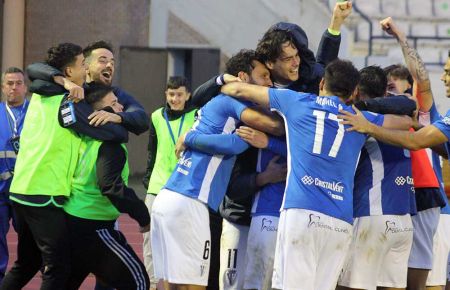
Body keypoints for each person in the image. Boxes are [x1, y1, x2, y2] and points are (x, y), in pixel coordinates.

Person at [221, 59, 412, 290]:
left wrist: (222, 80)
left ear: (322, 83)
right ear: (354, 92)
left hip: (302, 213)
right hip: (340, 221)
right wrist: (369, 123)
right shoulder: (360, 118)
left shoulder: (296, 101)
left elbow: (236, 89)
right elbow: (405, 122)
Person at [0, 43, 127, 290]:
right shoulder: (66, 101)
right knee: (58, 266)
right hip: (43, 194)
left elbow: (36, 71)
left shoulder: (41, 92)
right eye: (82, 64)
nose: (85, 68)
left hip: (22, 190)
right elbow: (103, 131)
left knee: (26, 264)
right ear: (69, 72)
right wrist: (118, 122)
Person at [151, 50, 282, 290]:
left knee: (171, 284)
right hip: (190, 202)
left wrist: (191, 136)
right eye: (264, 76)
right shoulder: (233, 103)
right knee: (194, 285)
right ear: (243, 77)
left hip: (170, 197)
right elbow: (235, 144)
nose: (269, 83)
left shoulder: (217, 101)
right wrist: (191, 137)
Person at [63, 85, 150, 290]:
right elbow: (110, 185)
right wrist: (142, 215)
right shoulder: (110, 144)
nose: (121, 106)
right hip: (93, 225)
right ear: (102, 114)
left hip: (70, 221)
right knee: (138, 282)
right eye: (113, 104)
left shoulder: (83, 138)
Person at [337, 66, 416, 290]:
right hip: (403, 221)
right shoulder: (400, 117)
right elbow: (409, 106)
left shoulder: (359, 119)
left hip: (372, 214)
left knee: (352, 286)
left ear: (357, 91)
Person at [142, 76, 197, 290]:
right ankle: (153, 283)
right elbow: (151, 151)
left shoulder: (196, 116)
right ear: (166, 94)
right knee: (150, 239)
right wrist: (148, 181)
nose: (175, 99)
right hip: (156, 187)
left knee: (179, 239)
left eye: (180, 94)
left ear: (188, 95)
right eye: (171, 94)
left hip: (183, 188)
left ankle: (177, 283)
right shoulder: (156, 116)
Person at [26, 40, 149, 136]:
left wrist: (118, 117)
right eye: (103, 60)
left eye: (112, 62)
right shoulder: (68, 88)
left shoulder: (115, 94)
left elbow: (142, 119)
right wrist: (64, 81)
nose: (109, 65)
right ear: (86, 66)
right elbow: (34, 68)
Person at [0, 67, 28, 284]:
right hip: (0, 191)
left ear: (25, 87)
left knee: (30, 240)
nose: (14, 87)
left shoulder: (35, 113)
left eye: (18, 83)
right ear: (3, 87)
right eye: (9, 83)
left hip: (27, 189)